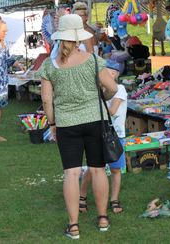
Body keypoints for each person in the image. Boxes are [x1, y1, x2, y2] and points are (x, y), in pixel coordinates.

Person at [37, 14, 118, 239]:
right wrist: (101, 96)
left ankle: (73, 226)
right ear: (78, 36)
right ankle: (103, 218)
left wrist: (52, 123)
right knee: (98, 169)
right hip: (95, 120)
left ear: (60, 36)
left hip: (66, 124)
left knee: (71, 173)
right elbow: (112, 88)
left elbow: (46, 100)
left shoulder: (49, 66)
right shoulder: (92, 60)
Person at [79, 59, 127, 214]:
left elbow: (112, 111)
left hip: (115, 135)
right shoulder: (97, 89)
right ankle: (82, 197)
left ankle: (114, 199)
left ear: (112, 74)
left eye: (104, 72)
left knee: (116, 169)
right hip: (97, 132)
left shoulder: (119, 89)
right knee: (93, 168)